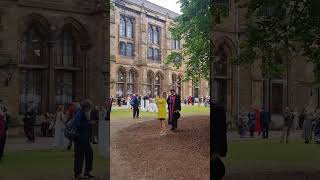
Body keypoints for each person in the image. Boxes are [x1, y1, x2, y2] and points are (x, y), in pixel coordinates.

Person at [73, 100, 94, 179]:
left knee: (89, 154)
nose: (89, 109)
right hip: (80, 138)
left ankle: (87, 172)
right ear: (85, 107)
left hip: (84, 138)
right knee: (79, 155)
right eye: (89, 108)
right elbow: (77, 125)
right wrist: (88, 123)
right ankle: (78, 173)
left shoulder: (83, 113)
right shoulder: (80, 113)